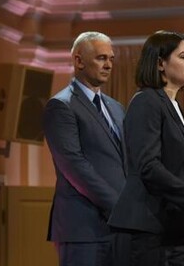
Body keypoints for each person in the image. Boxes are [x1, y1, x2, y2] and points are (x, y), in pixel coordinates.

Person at [108, 30, 184, 266]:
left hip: (170, 229)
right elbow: (149, 167)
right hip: (144, 229)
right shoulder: (146, 101)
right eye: (183, 56)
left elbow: (180, 171)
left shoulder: (172, 105)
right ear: (160, 63)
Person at [43, 31, 126, 266]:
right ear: (78, 61)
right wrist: (119, 206)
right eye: (101, 58)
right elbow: (74, 165)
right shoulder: (61, 105)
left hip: (118, 228)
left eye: (111, 59)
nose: (108, 65)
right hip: (83, 228)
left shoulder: (116, 108)